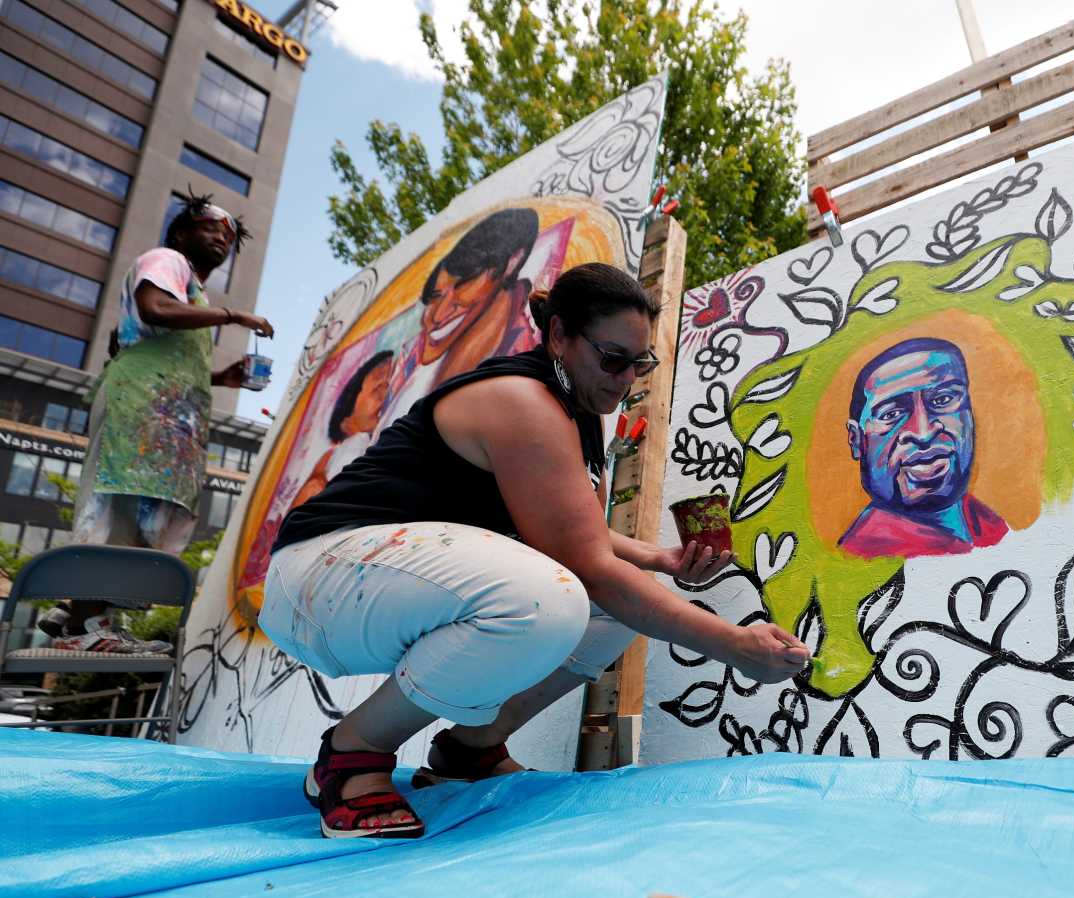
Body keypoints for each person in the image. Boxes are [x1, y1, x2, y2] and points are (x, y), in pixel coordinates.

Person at [260, 262, 810, 839]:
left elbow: (570, 532)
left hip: (377, 583)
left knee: (608, 610)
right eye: (612, 358)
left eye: (638, 363)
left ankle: (470, 750)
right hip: (318, 577)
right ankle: (352, 753)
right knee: (554, 598)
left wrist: (659, 559)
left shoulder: (577, 410)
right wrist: (735, 646)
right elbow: (588, 566)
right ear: (559, 337)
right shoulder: (525, 402)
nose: (624, 379)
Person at [45, 194, 274, 652]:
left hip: (162, 417)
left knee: (142, 518)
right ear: (181, 232)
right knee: (120, 507)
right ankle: (87, 625)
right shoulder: (167, 260)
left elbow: (156, 341)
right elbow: (155, 309)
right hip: (141, 411)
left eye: (228, 236)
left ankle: (83, 615)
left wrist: (219, 376)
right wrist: (233, 316)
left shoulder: (193, 290)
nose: (221, 237)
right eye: (210, 226)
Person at [838, 337, 1008, 559]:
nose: (923, 433)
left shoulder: (990, 527)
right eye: (891, 414)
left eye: (944, 399)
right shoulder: (866, 558)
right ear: (857, 440)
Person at [381, 208, 540, 424]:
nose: (437, 315)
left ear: (512, 264)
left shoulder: (518, 358)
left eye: (462, 286)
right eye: (436, 296)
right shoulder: (408, 360)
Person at [289, 350, 394, 509]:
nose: (385, 395)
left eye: (388, 385)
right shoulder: (348, 451)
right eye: (377, 389)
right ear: (346, 419)